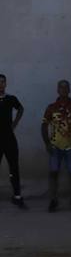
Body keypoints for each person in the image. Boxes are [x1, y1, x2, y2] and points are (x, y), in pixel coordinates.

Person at [41, 80, 71, 213]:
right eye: (61, 87)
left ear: (69, 90)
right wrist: (47, 143)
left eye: (66, 87)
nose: (63, 90)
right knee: (53, 173)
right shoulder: (51, 107)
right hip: (55, 146)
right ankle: (53, 200)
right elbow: (44, 125)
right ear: (57, 90)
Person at [0, 74, 23, 208]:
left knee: (14, 166)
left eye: (3, 82)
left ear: (6, 84)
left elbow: (20, 108)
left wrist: (15, 123)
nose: (1, 84)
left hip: (9, 138)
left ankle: (17, 196)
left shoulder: (11, 99)